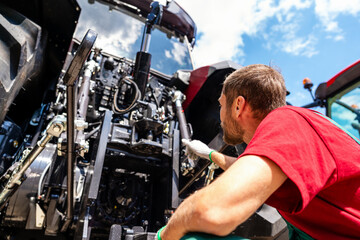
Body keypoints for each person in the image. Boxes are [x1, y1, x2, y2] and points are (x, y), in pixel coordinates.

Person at [157, 64, 360, 240]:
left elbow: (209, 211)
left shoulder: (287, 120)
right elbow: (254, 173)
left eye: (221, 104)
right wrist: (209, 154)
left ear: (238, 106)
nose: (220, 114)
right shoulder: (295, 127)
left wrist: (164, 235)